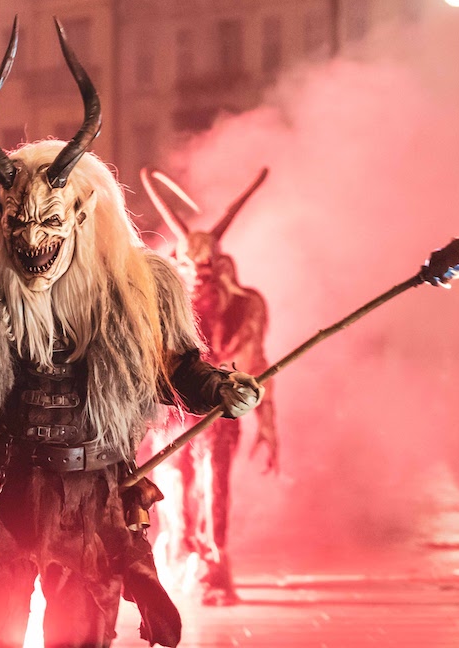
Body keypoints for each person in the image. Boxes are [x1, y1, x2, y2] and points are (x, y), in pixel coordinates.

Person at [0, 21, 265, 647]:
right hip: (1, 494)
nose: (33, 241)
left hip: (94, 497)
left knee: (84, 641)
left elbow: (174, 366)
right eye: (19, 223)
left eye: (49, 222)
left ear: (81, 214)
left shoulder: (135, 288)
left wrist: (216, 387)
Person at [139, 167, 275, 605]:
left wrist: (268, 422)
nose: (200, 277)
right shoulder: (159, 305)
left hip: (219, 414)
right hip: (172, 417)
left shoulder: (245, 307)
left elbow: (258, 366)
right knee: (175, 489)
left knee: (215, 484)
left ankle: (216, 568)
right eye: (191, 266)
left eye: (208, 267)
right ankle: (183, 560)